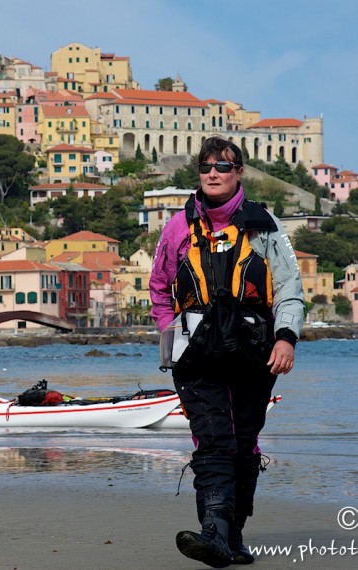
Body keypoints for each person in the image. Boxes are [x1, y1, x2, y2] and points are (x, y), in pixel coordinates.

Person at [150, 137, 305, 568]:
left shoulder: (265, 225)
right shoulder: (178, 227)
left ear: (239, 172)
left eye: (223, 165)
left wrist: (286, 338)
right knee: (213, 437)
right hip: (196, 353)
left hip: (254, 350)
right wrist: (169, 333)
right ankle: (214, 531)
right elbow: (160, 287)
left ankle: (233, 535)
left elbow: (290, 288)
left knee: (244, 440)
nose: (213, 172)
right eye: (205, 166)